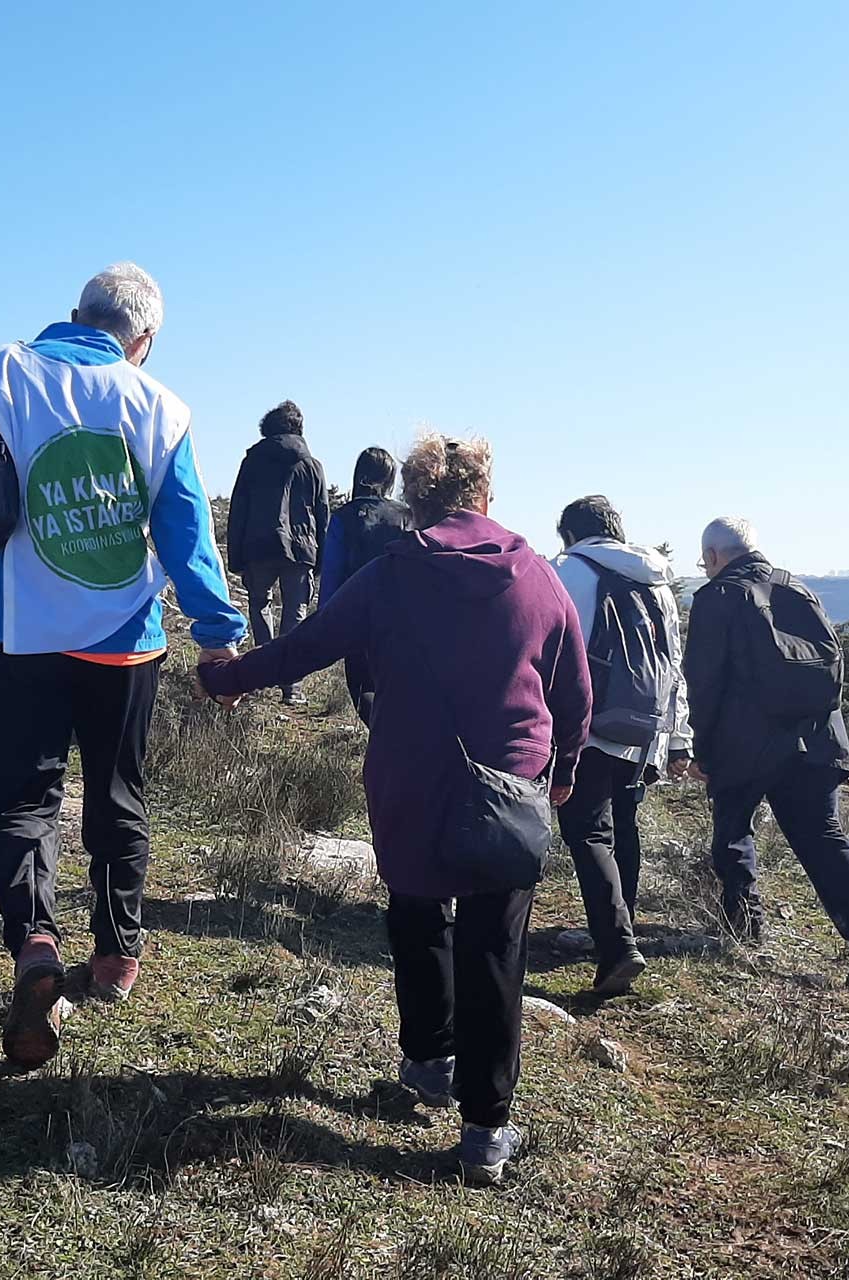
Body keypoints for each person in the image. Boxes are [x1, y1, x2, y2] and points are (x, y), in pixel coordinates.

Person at [197, 435, 591, 1186]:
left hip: (410, 778)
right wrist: (563, 771)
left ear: (416, 502)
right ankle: (485, 1132)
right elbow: (574, 695)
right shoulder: (539, 578)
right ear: (486, 498)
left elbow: (305, 646)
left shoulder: (390, 576)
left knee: (416, 914)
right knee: (494, 950)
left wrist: (228, 679)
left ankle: (428, 1059)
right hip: (508, 788)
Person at [0, 263, 247, 1071]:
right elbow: (187, 529)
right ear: (144, 340)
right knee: (119, 792)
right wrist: (219, 630)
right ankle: (118, 957)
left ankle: (36, 942)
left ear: (72, 316)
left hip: (13, 629)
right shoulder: (160, 406)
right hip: (123, 636)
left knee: (21, 795)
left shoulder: (2, 371)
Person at [684, 517, 849, 990]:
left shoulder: (716, 598)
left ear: (715, 556)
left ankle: (742, 924)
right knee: (822, 834)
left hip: (745, 743)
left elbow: (704, 683)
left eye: (704, 560)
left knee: (733, 827)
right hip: (819, 738)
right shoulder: (797, 589)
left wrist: (702, 748)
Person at [550, 496, 691, 995]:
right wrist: (676, 738)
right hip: (643, 727)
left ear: (570, 533)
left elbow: (550, 646)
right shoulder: (657, 582)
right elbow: (672, 663)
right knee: (622, 827)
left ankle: (615, 945)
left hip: (588, 722)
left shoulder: (566, 570)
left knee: (587, 831)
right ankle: (619, 925)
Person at [227, 400, 330, 705]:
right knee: (295, 612)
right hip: (300, 549)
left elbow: (238, 510)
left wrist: (236, 557)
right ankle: (292, 684)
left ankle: (261, 674)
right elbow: (322, 515)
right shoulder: (312, 465)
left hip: (258, 546)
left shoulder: (252, 461)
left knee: (260, 605)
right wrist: (321, 560)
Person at [317, 446, 412, 723]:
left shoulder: (344, 518)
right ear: (390, 478)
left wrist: (326, 624)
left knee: (363, 691)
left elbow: (332, 572)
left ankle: (386, 743)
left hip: (357, 619)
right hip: (403, 620)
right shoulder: (407, 517)